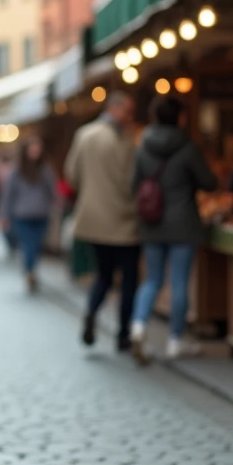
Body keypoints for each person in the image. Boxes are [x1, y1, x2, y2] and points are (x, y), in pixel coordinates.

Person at [130, 95, 218, 362]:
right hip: (183, 223)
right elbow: (208, 181)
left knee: (152, 280)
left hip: (152, 222)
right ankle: (175, 340)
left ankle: (138, 326)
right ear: (179, 117)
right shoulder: (187, 147)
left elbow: (133, 186)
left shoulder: (142, 146)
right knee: (179, 281)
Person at [65, 90, 140, 351]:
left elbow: (71, 175)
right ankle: (123, 335)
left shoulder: (85, 135)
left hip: (94, 221)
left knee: (103, 276)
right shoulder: (127, 141)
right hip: (126, 222)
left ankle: (91, 313)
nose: (131, 117)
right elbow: (134, 182)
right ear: (116, 109)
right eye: (128, 111)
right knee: (129, 280)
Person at [1, 137, 57, 293]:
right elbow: (9, 194)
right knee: (28, 244)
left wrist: (57, 200)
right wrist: (4, 215)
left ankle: (30, 269)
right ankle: (30, 270)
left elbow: (52, 189)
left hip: (40, 213)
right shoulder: (17, 170)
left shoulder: (44, 169)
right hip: (22, 214)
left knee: (36, 244)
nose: (35, 153)